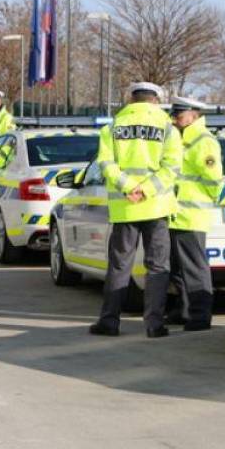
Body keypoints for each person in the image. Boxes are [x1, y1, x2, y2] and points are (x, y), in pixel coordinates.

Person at [89, 82, 183, 339]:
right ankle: (154, 325)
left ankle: (109, 322)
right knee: (157, 267)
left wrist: (129, 187)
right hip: (156, 207)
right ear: (155, 101)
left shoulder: (113, 127)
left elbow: (105, 163)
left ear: (131, 100)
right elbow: (172, 167)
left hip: (125, 208)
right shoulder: (167, 127)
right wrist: (146, 190)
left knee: (119, 266)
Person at [167, 97, 222, 331]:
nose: (174, 119)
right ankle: (184, 310)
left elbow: (214, 178)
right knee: (177, 267)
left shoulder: (203, 140)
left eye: (178, 115)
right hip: (175, 213)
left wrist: (205, 199)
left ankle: (200, 316)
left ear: (193, 115)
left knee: (194, 267)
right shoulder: (181, 137)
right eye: (173, 115)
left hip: (191, 214)